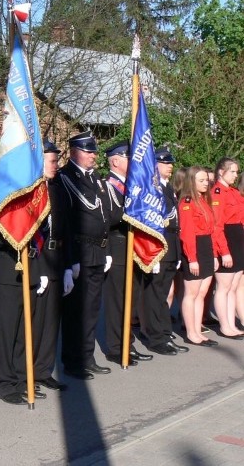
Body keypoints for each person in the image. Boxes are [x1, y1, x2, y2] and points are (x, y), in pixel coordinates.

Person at [0, 163, 46, 405]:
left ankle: (22, 379)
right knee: (8, 330)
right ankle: (4, 384)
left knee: (27, 329)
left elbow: (44, 225)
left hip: (33, 264)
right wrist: (12, 236)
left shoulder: (33, 191)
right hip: (6, 266)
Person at [58, 131, 114, 379]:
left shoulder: (96, 179)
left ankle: (87, 356)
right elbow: (66, 222)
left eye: (94, 151)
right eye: (88, 151)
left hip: (98, 251)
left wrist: (108, 250)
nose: (93, 155)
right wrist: (71, 261)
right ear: (73, 152)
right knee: (74, 312)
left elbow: (103, 218)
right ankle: (72, 361)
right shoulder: (64, 178)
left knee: (91, 309)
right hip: (80, 251)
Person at [101, 141, 153, 366]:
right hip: (118, 246)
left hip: (134, 247)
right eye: (127, 157)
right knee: (117, 302)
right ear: (115, 160)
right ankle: (115, 348)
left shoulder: (132, 185)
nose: (133, 162)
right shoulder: (108, 186)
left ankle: (127, 344)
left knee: (131, 300)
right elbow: (109, 218)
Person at [140, 147, 188, 356]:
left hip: (171, 244)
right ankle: (155, 337)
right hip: (159, 245)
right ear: (156, 164)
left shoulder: (167, 187)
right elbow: (149, 220)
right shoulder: (152, 187)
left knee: (163, 294)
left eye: (171, 163)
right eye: (166, 163)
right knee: (155, 294)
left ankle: (165, 334)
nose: (170, 166)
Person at [32, 140, 71, 392]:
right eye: (52, 160)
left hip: (57, 257)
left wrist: (68, 265)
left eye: (57, 160)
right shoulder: (30, 191)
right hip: (38, 257)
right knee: (36, 320)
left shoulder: (57, 189)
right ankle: (29, 370)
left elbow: (66, 227)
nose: (57, 165)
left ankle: (44, 370)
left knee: (51, 322)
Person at [178, 166, 220, 347]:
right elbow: (187, 234)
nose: (206, 183)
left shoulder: (204, 200)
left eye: (207, 180)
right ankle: (191, 333)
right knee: (192, 293)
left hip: (206, 248)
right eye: (201, 180)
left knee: (202, 293)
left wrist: (214, 255)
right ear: (191, 182)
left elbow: (212, 230)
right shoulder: (187, 202)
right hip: (194, 248)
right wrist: (192, 258)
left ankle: (197, 329)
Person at [210, 158, 244, 338]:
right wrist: (224, 251)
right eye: (233, 171)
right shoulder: (217, 192)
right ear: (221, 172)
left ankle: (231, 324)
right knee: (224, 286)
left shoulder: (233, 192)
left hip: (238, 240)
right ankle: (225, 325)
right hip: (227, 240)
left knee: (232, 286)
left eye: (237, 172)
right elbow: (217, 226)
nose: (236, 175)